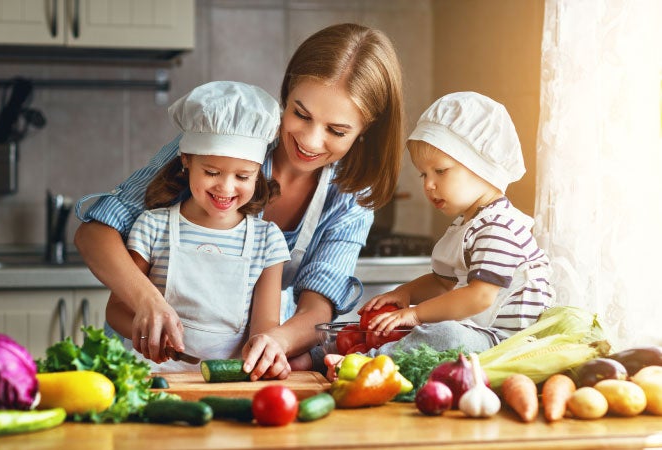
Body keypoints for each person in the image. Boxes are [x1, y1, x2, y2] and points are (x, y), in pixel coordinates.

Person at [74, 23, 405, 380]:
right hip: (141, 363)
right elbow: (95, 233)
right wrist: (147, 303)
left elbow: (316, 308)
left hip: (230, 370)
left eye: (336, 131)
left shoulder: (350, 197)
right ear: (288, 88)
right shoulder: (223, 137)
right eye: (301, 114)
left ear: (365, 129)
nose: (310, 140)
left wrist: (274, 342)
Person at [325, 92, 554, 376]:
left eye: (440, 171)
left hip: (506, 343)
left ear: (482, 166)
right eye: (423, 174)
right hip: (479, 333)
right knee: (436, 330)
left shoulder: (500, 227)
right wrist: (404, 293)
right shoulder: (467, 225)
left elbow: (480, 296)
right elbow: (441, 282)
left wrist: (416, 313)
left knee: (447, 335)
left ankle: (367, 363)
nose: (429, 185)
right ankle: (358, 355)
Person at [104, 81, 291, 372]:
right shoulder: (153, 227)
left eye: (243, 176)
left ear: (258, 174)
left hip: (226, 381)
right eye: (212, 172)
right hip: (153, 375)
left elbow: (263, 330)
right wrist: (147, 335)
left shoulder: (267, 241)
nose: (226, 188)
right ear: (186, 160)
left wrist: (264, 356)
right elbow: (116, 310)